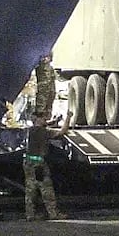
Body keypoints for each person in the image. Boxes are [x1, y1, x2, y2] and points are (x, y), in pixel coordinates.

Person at [24, 55, 71, 220]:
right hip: (38, 163)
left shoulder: (33, 129)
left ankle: (30, 214)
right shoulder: (43, 132)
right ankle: (53, 213)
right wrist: (68, 118)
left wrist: (53, 120)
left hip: (29, 161)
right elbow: (61, 132)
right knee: (46, 189)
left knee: (30, 190)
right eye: (43, 117)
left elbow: (43, 123)